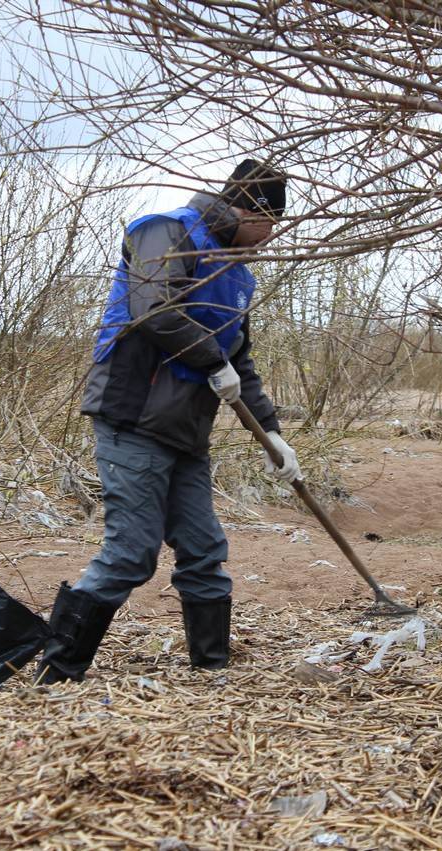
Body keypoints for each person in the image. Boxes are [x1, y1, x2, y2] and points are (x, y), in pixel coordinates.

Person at [36, 159, 300, 684]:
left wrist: (271, 432)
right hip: (133, 414)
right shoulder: (166, 231)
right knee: (132, 553)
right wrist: (211, 360)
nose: (268, 241)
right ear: (247, 211)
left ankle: (212, 673)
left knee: (203, 550)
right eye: (268, 227)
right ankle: (57, 673)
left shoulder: (238, 277)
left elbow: (239, 361)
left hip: (187, 430)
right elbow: (153, 309)